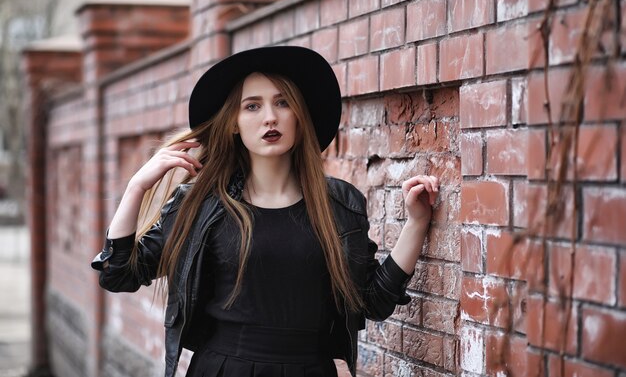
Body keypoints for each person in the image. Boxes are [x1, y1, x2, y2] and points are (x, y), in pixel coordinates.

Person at [91, 46, 439, 377]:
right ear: (233, 123)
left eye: (282, 102)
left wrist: (417, 222)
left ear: (300, 116)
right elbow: (117, 274)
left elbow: (373, 301)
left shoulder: (340, 203)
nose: (270, 117)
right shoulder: (201, 204)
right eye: (252, 106)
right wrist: (137, 187)